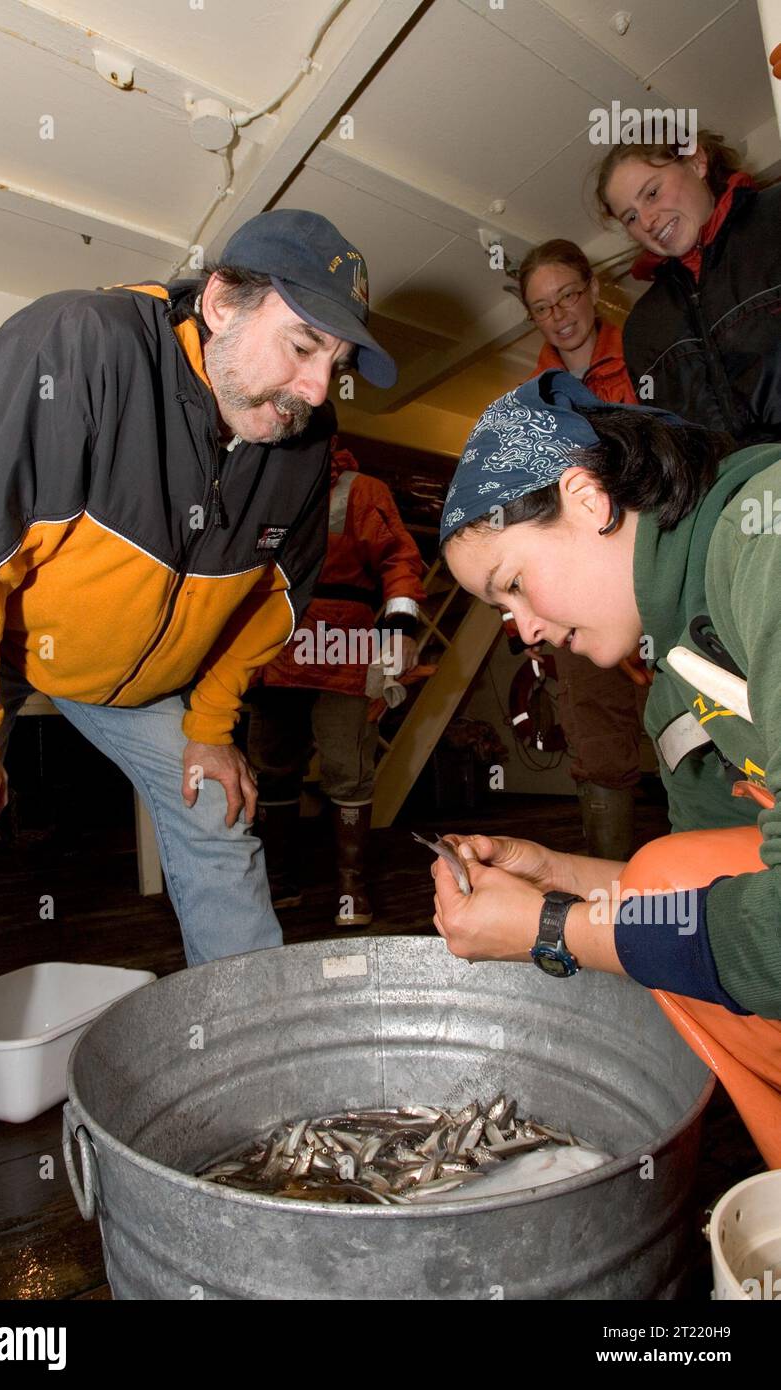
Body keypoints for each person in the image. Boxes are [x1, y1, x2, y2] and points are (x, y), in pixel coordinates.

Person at [0, 209, 396, 1206]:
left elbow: (272, 605)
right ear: (220, 303)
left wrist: (210, 730)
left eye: (334, 361)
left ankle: (267, 1102)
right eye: (303, 346)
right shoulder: (77, 345)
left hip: (140, 678)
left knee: (219, 819)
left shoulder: (302, 442)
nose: (316, 389)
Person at [434, 369, 781, 1165]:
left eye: (513, 583)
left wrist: (549, 930)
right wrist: (553, 877)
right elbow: (705, 899)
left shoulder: (764, 544)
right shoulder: (676, 682)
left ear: (588, 498)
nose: (521, 630)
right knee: (665, 887)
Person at [248, 435, 425, 925]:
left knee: (348, 768)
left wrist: (401, 629)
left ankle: (351, 888)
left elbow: (399, 560)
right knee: (273, 767)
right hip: (273, 645)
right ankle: (279, 885)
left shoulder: (362, 490)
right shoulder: (259, 482)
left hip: (343, 648)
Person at [518, 239, 647, 858]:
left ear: (593, 289)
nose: (560, 313)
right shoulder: (530, 399)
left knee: (708, 723)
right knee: (596, 737)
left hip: (660, 564)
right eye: (543, 307)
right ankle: (613, 904)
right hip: (581, 585)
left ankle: (723, 897)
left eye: (568, 294)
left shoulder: (651, 349)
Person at [595, 127, 781, 441]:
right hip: (736, 486)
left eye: (652, 193)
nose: (648, 222)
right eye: (630, 217)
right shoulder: (642, 330)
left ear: (696, 162)